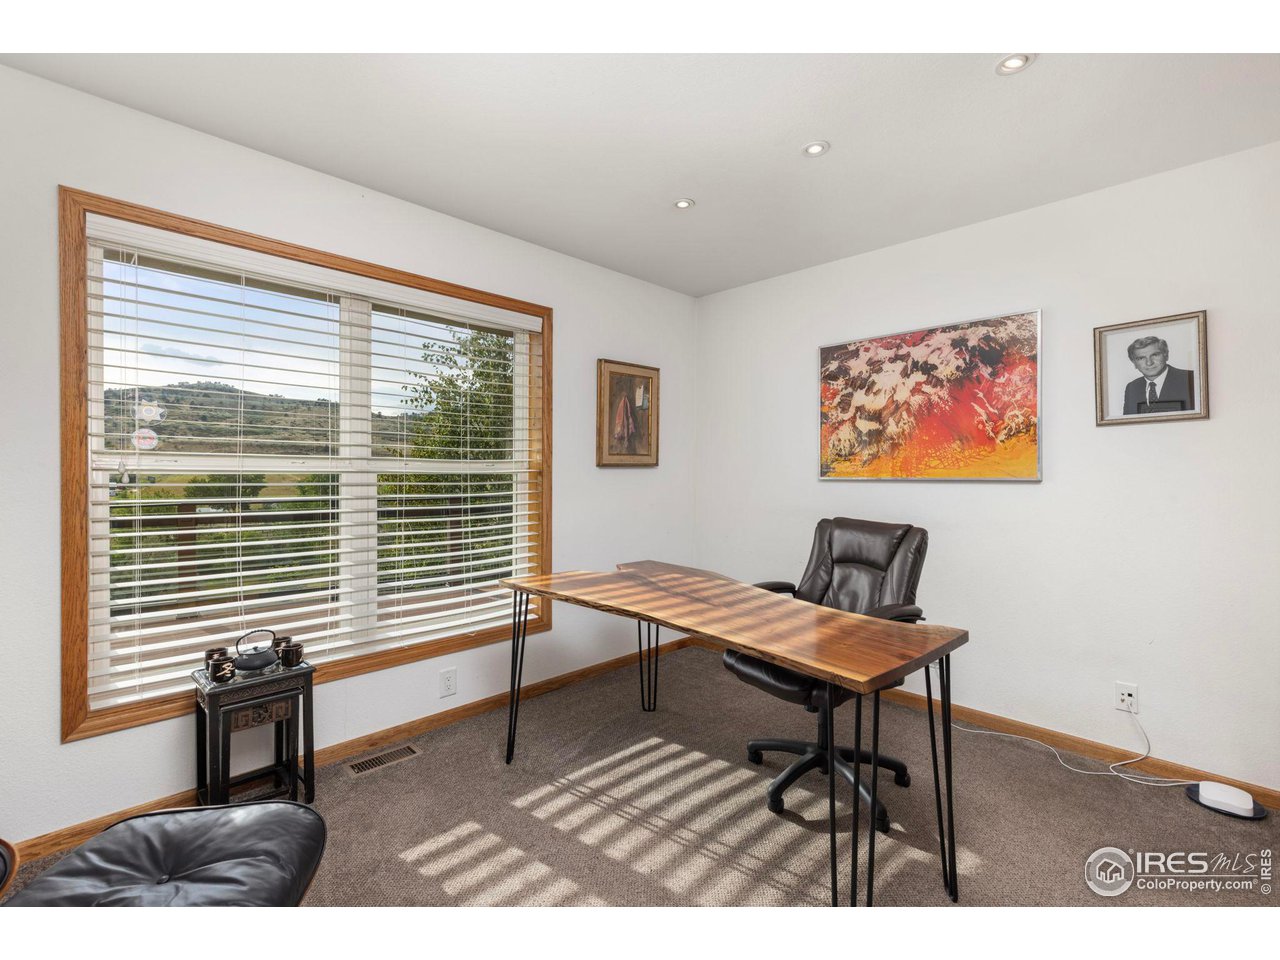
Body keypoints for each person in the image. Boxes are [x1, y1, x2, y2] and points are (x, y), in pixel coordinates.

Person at [1122, 335, 1194, 415]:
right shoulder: (1132, 388)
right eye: (1141, 358)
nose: (1149, 363)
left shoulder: (1191, 379)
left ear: (1166, 355)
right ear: (1134, 363)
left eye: (1155, 355)